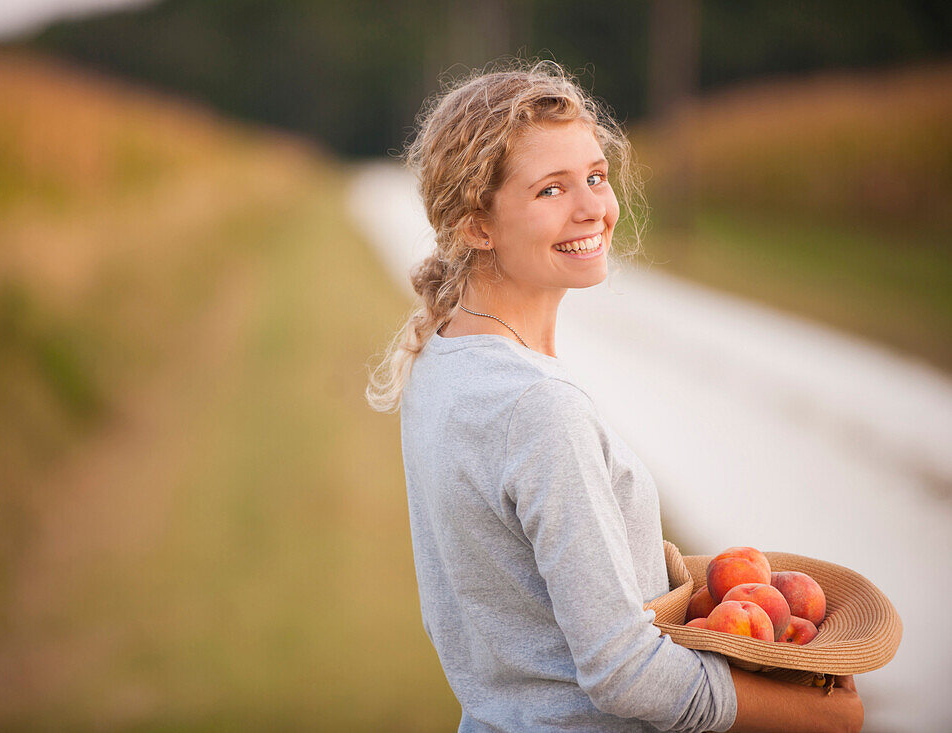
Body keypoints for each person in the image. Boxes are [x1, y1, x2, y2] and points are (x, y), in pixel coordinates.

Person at [365, 60, 864, 732]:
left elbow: (513, 591)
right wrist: (814, 712)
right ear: (476, 224)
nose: (593, 207)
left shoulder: (440, 361)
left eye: (596, 177)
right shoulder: (537, 407)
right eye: (550, 190)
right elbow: (623, 672)